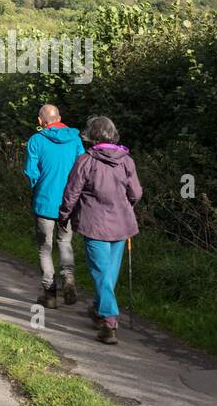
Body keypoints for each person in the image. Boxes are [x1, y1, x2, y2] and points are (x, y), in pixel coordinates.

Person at [57, 116, 142, 345]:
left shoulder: (86, 160)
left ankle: (109, 321)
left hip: (95, 224)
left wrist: (63, 215)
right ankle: (98, 308)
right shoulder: (127, 161)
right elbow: (136, 193)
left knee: (102, 272)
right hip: (122, 224)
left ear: (91, 135)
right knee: (108, 273)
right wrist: (126, 205)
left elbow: (71, 192)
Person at [24, 104, 85, 309]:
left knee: (45, 248)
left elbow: (31, 172)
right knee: (65, 242)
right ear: (59, 117)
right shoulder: (75, 140)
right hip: (69, 203)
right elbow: (83, 170)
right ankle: (68, 278)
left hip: (44, 202)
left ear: (41, 121)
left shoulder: (36, 140)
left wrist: (39, 187)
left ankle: (50, 294)